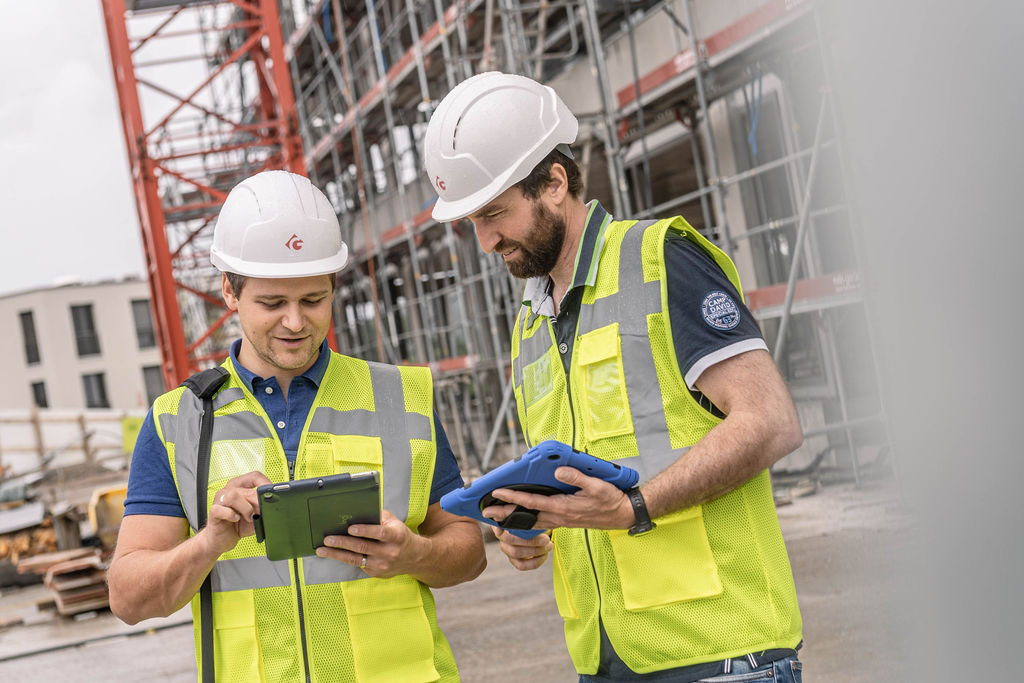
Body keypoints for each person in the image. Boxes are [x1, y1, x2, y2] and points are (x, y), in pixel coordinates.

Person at [423, 72, 805, 682]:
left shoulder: (660, 260)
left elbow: (770, 422)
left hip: (719, 654)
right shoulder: (531, 319)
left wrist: (636, 507)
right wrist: (532, 529)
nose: (486, 240)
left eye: (495, 213)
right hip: (605, 661)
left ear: (553, 182)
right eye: (471, 221)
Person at [108, 170, 486, 682]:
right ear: (230, 292)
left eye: (313, 301)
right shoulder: (179, 421)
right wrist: (210, 542)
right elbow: (129, 598)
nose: (294, 322)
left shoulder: (399, 399)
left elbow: (466, 552)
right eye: (272, 304)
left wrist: (415, 554)